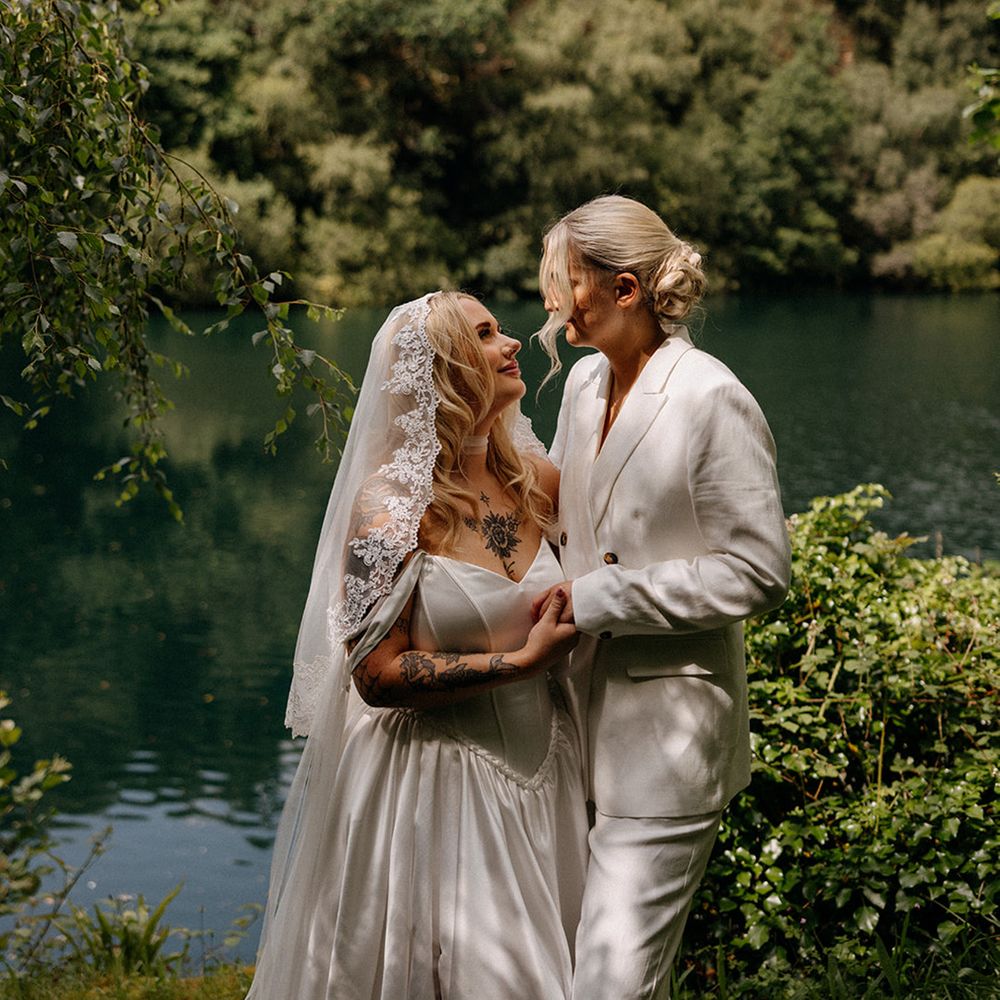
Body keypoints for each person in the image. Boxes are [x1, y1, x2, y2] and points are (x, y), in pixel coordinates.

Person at [246, 292, 589, 1000]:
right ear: (446, 368)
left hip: (544, 775)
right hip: (436, 787)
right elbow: (374, 675)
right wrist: (521, 662)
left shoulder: (535, 482)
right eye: (487, 335)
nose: (513, 342)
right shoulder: (393, 509)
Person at [531, 195, 791, 999]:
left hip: (668, 744)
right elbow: (559, 520)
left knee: (607, 984)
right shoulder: (580, 386)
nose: (550, 301)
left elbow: (759, 569)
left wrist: (605, 598)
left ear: (625, 290)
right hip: (568, 725)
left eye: (566, 281)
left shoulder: (710, 397)